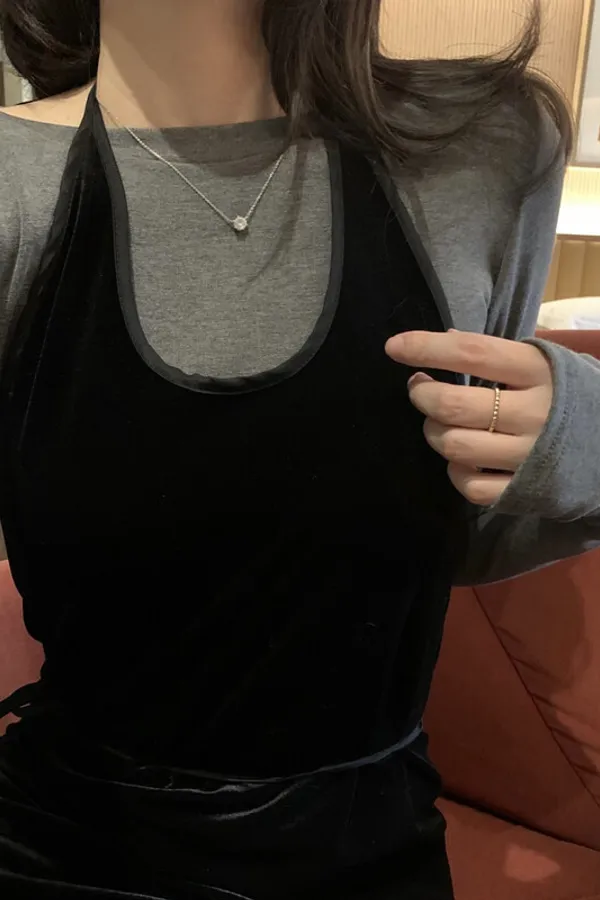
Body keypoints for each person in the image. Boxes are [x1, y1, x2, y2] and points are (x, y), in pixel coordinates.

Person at [0, 0, 599, 897]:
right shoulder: (12, 179)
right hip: (69, 849)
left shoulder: (483, 149)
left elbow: (454, 522)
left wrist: (582, 434)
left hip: (371, 851)